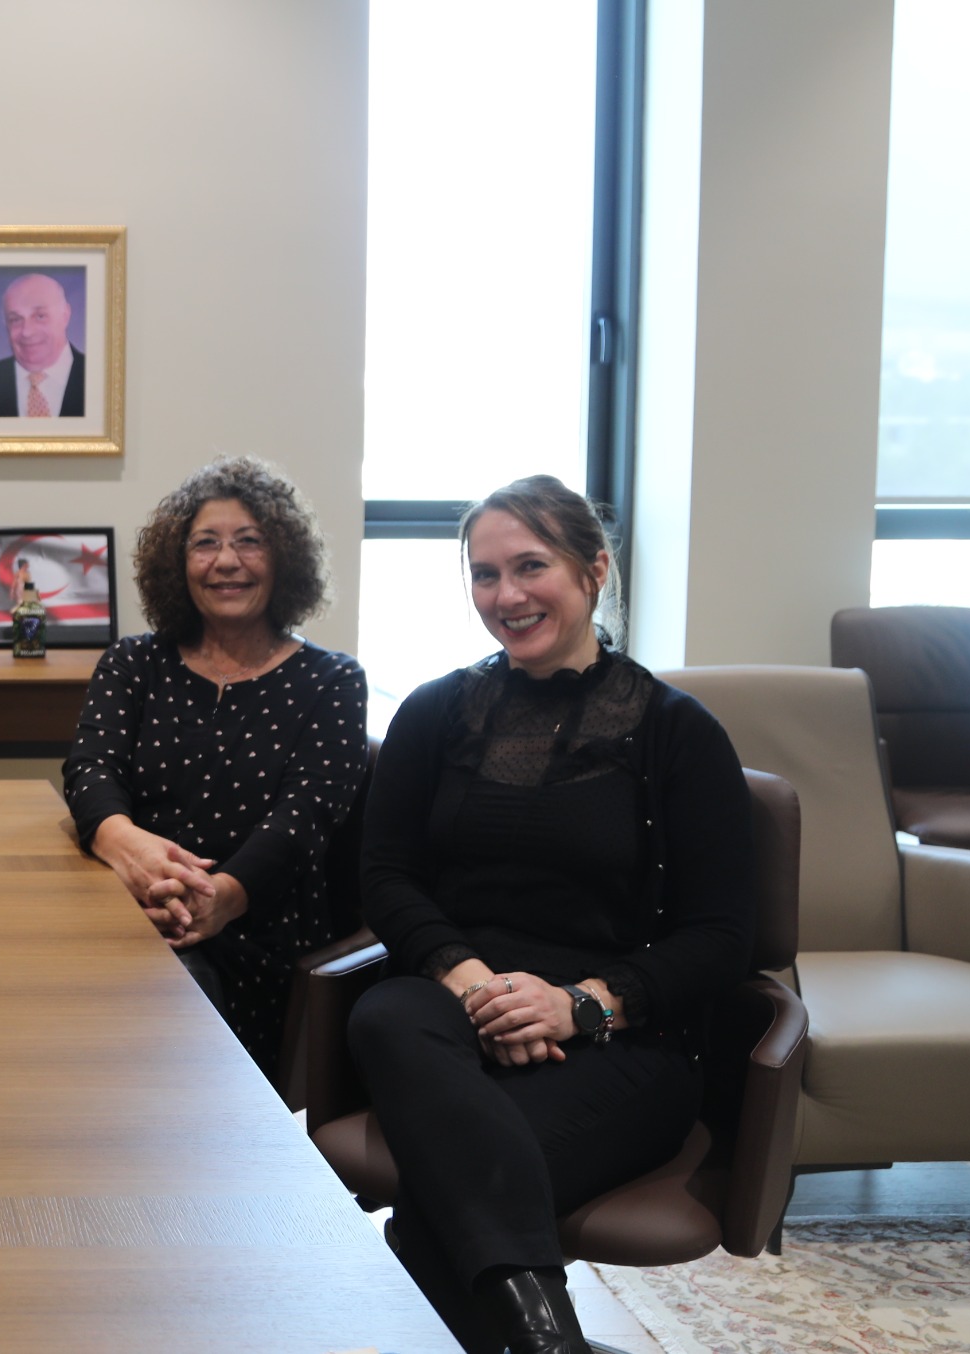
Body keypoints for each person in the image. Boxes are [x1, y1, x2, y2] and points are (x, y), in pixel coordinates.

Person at [350, 476, 752, 1354]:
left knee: (444, 1199)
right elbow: (384, 874)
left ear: (594, 570)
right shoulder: (432, 713)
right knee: (385, 1013)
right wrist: (477, 984)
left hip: (619, 1041)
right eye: (485, 574)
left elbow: (726, 935)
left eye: (531, 566)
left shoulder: (678, 733)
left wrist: (580, 1004)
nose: (507, 595)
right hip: (448, 1008)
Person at [60, 455, 366, 1077]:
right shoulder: (132, 664)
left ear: (285, 559)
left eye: (249, 541)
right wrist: (129, 849)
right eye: (205, 543)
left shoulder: (332, 680)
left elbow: (305, 818)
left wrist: (218, 898)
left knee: (158, 1013)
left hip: (259, 929)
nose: (226, 561)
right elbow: (90, 769)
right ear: (177, 563)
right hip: (126, 907)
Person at [0, 271, 85, 418]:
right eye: (15, 319)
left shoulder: (102, 380)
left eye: (40, 316)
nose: (27, 332)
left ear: (65, 315)